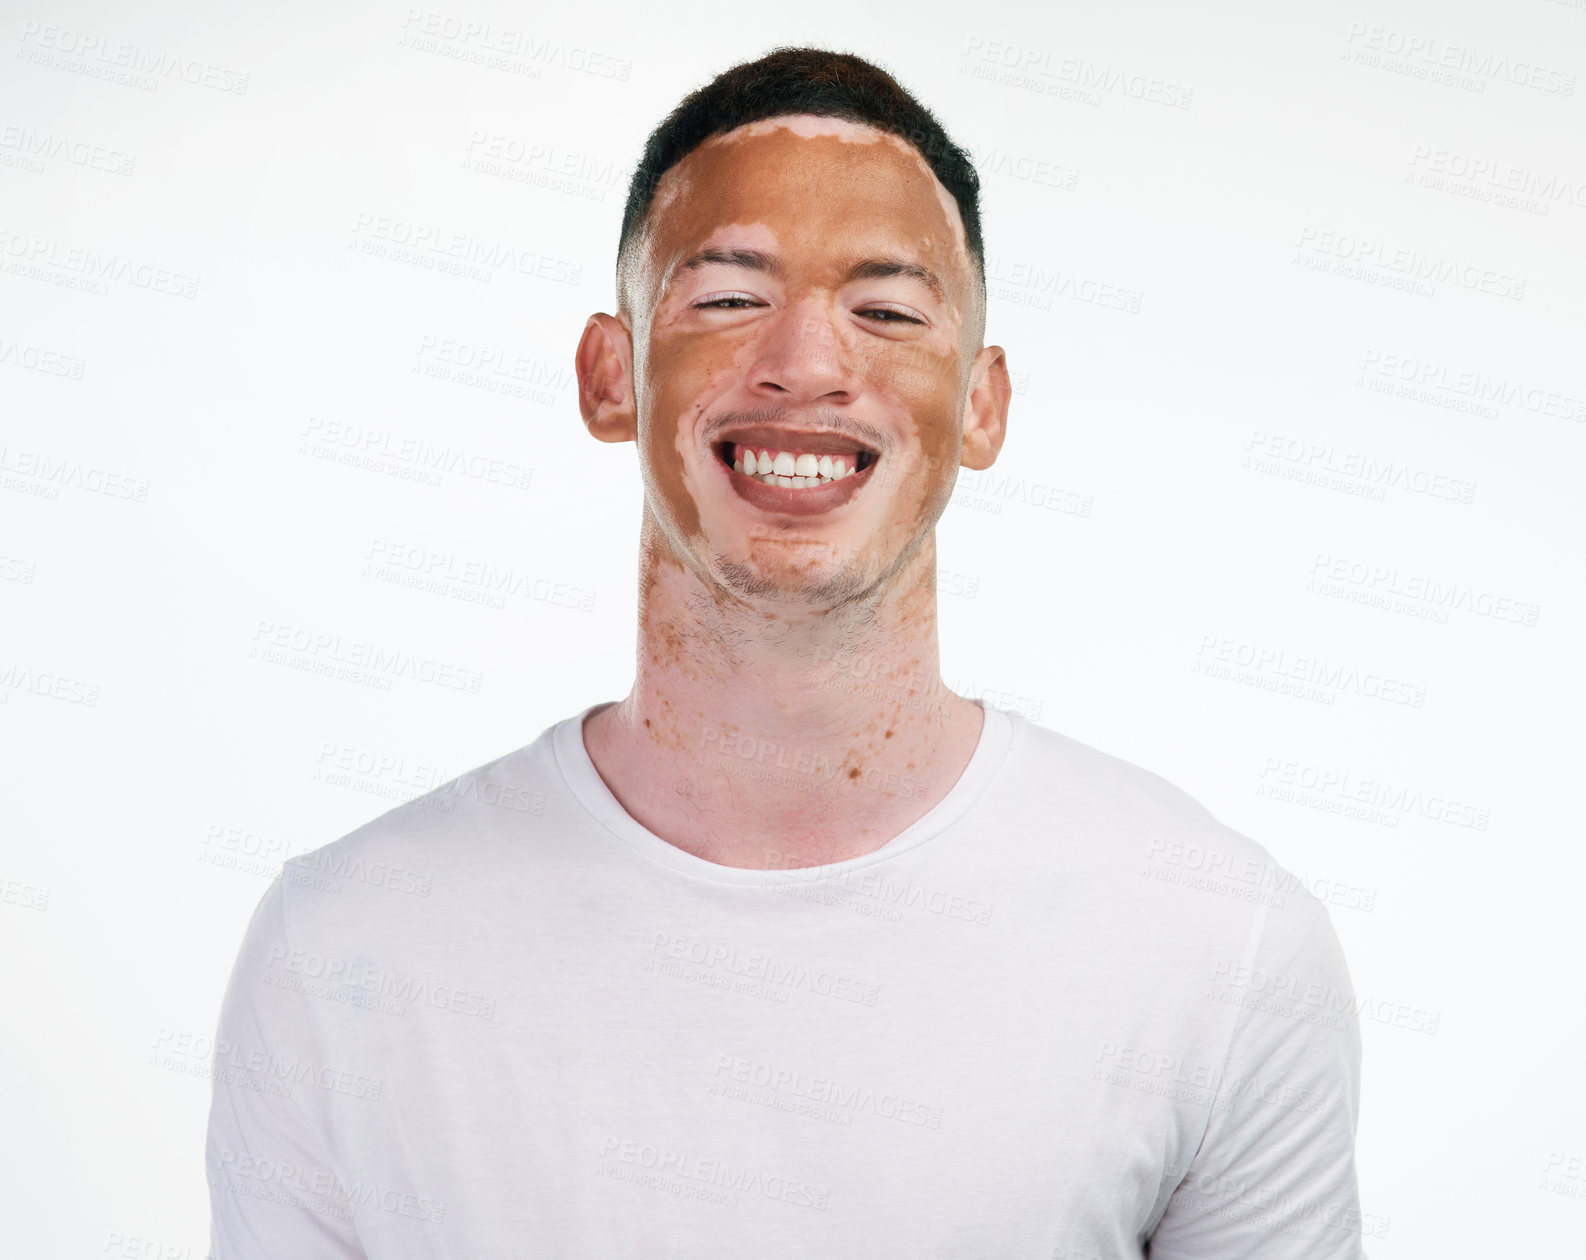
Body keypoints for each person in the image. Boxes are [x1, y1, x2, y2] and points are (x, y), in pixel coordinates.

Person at [206, 46, 1367, 1259]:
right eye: (725, 297)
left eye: (886, 311)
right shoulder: (340, 950)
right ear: (613, 377)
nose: (808, 364)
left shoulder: (1219, 948)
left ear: (980, 406)